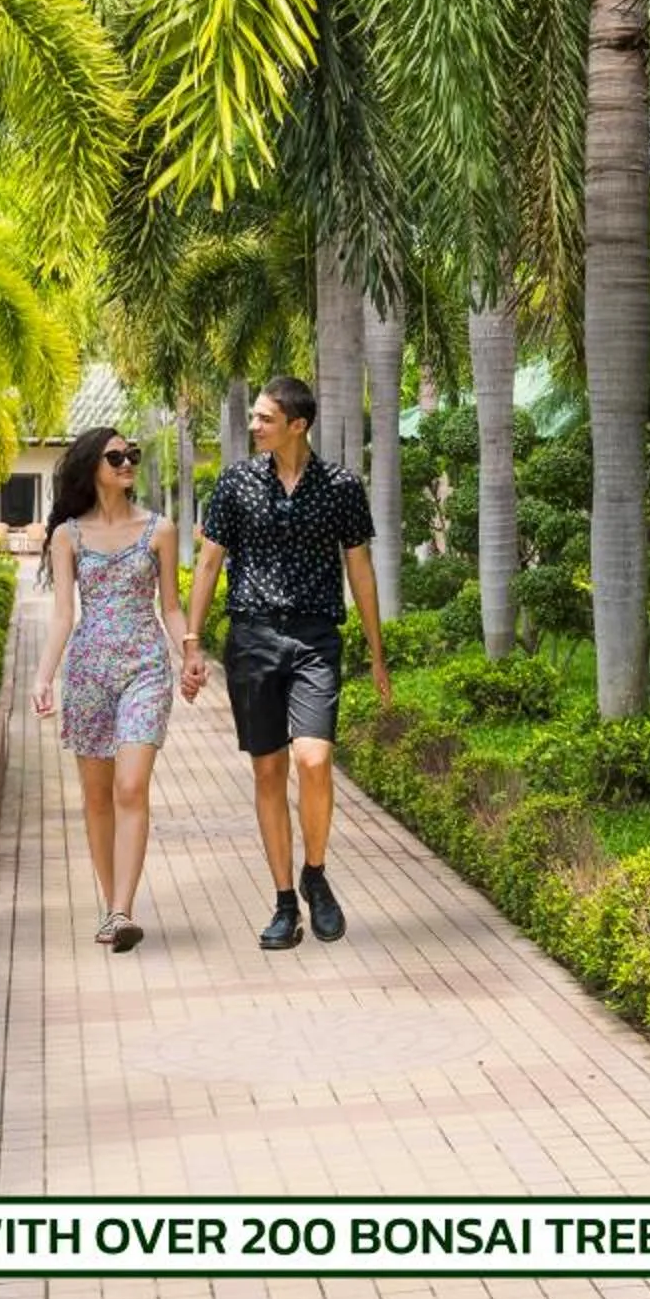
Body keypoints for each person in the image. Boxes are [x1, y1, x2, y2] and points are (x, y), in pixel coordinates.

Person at [181, 376, 392, 949]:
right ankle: (283, 904)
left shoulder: (342, 487)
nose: (254, 426)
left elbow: (361, 571)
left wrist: (377, 654)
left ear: (297, 425)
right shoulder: (235, 483)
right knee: (269, 771)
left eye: (265, 418)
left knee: (315, 760)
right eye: (253, 417)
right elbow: (207, 566)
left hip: (315, 639)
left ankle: (315, 876)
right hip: (251, 639)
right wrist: (192, 642)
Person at [29, 428, 192, 953]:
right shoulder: (68, 536)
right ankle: (110, 907)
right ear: (91, 467)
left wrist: (190, 649)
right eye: (115, 457)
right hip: (88, 674)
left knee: (130, 786)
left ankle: (122, 910)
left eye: (132, 455)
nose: (127, 463)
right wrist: (42, 676)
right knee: (97, 797)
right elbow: (61, 616)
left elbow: (169, 606)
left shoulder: (160, 530)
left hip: (145, 667)